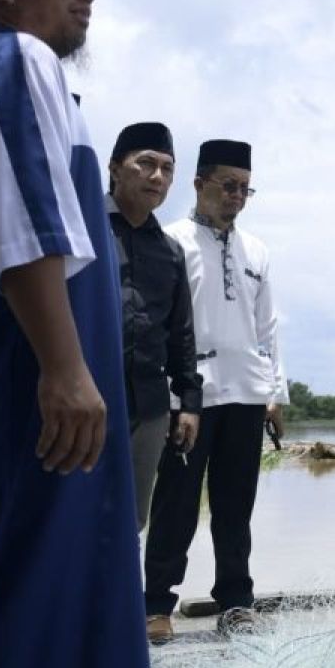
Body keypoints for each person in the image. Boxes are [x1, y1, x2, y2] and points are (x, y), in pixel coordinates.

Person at [0, 0, 149, 668]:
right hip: (27, 393)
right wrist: (66, 370)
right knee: (21, 594)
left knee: (56, 585)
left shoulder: (6, 73)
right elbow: (25, 215)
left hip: (27, 387)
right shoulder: (12, 60)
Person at [143, 139, 288, 641]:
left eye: (246, 188)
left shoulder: (258, 251)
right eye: (228, 185)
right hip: (190, 398)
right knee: (176, 504)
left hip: (247, 395)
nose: (237, 196)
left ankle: (236, 601)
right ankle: (157, 603)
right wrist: (173, 394)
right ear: (200, 184)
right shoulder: (170, 241)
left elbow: (268, 329)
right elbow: (160, 323)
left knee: (235, 506)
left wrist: (275, 394)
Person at [107, 121, 202, 531]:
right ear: (114, 168)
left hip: (149, 409)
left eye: (167, 168)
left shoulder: (170, 251)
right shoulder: (80, 229)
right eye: (146, 164)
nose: (157, 177)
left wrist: (188, 403)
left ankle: (123, 598)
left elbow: (181, 334)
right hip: (86, 401)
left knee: (131, 524)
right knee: (69, 520)